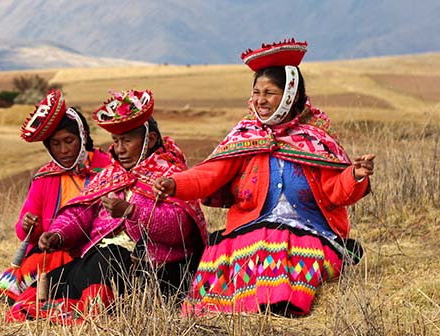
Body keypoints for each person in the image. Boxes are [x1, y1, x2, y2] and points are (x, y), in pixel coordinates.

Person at [153, 39, 376, 317]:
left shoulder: (316, 140)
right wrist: (175, 184)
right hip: (252, 228)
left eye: (269, 92)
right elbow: (209, 175)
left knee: (279, 239)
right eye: (256, 91)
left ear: (290, 96)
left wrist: (355, 175)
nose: (260, 99)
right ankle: (232, 309)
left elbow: (336, 191)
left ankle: (281, 305)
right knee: (235, 247)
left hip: (313, 232)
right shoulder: (245, 137)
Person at [6, 89, 208, 324]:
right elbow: (79, 213)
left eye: (127, 141)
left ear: (150, 139)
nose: (120, 149)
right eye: (116, 141)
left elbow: (179, 231)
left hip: (153, 269)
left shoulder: (171, 175)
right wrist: (58, 235)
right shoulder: (111, 174)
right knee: (51, 283)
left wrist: (132, 212)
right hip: (100, 261)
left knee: (111, 257)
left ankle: (94, 305)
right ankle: (85, 302)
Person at [0, 89, 113, 305]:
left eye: (69, 141)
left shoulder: (108, 168)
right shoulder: (45, 177)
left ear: (83, 137)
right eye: (56, 144)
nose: (64, 150)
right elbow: (25, 233)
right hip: (53, 250)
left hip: (95, 251)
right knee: (7, 290)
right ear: (48, 147)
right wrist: (28, 226)